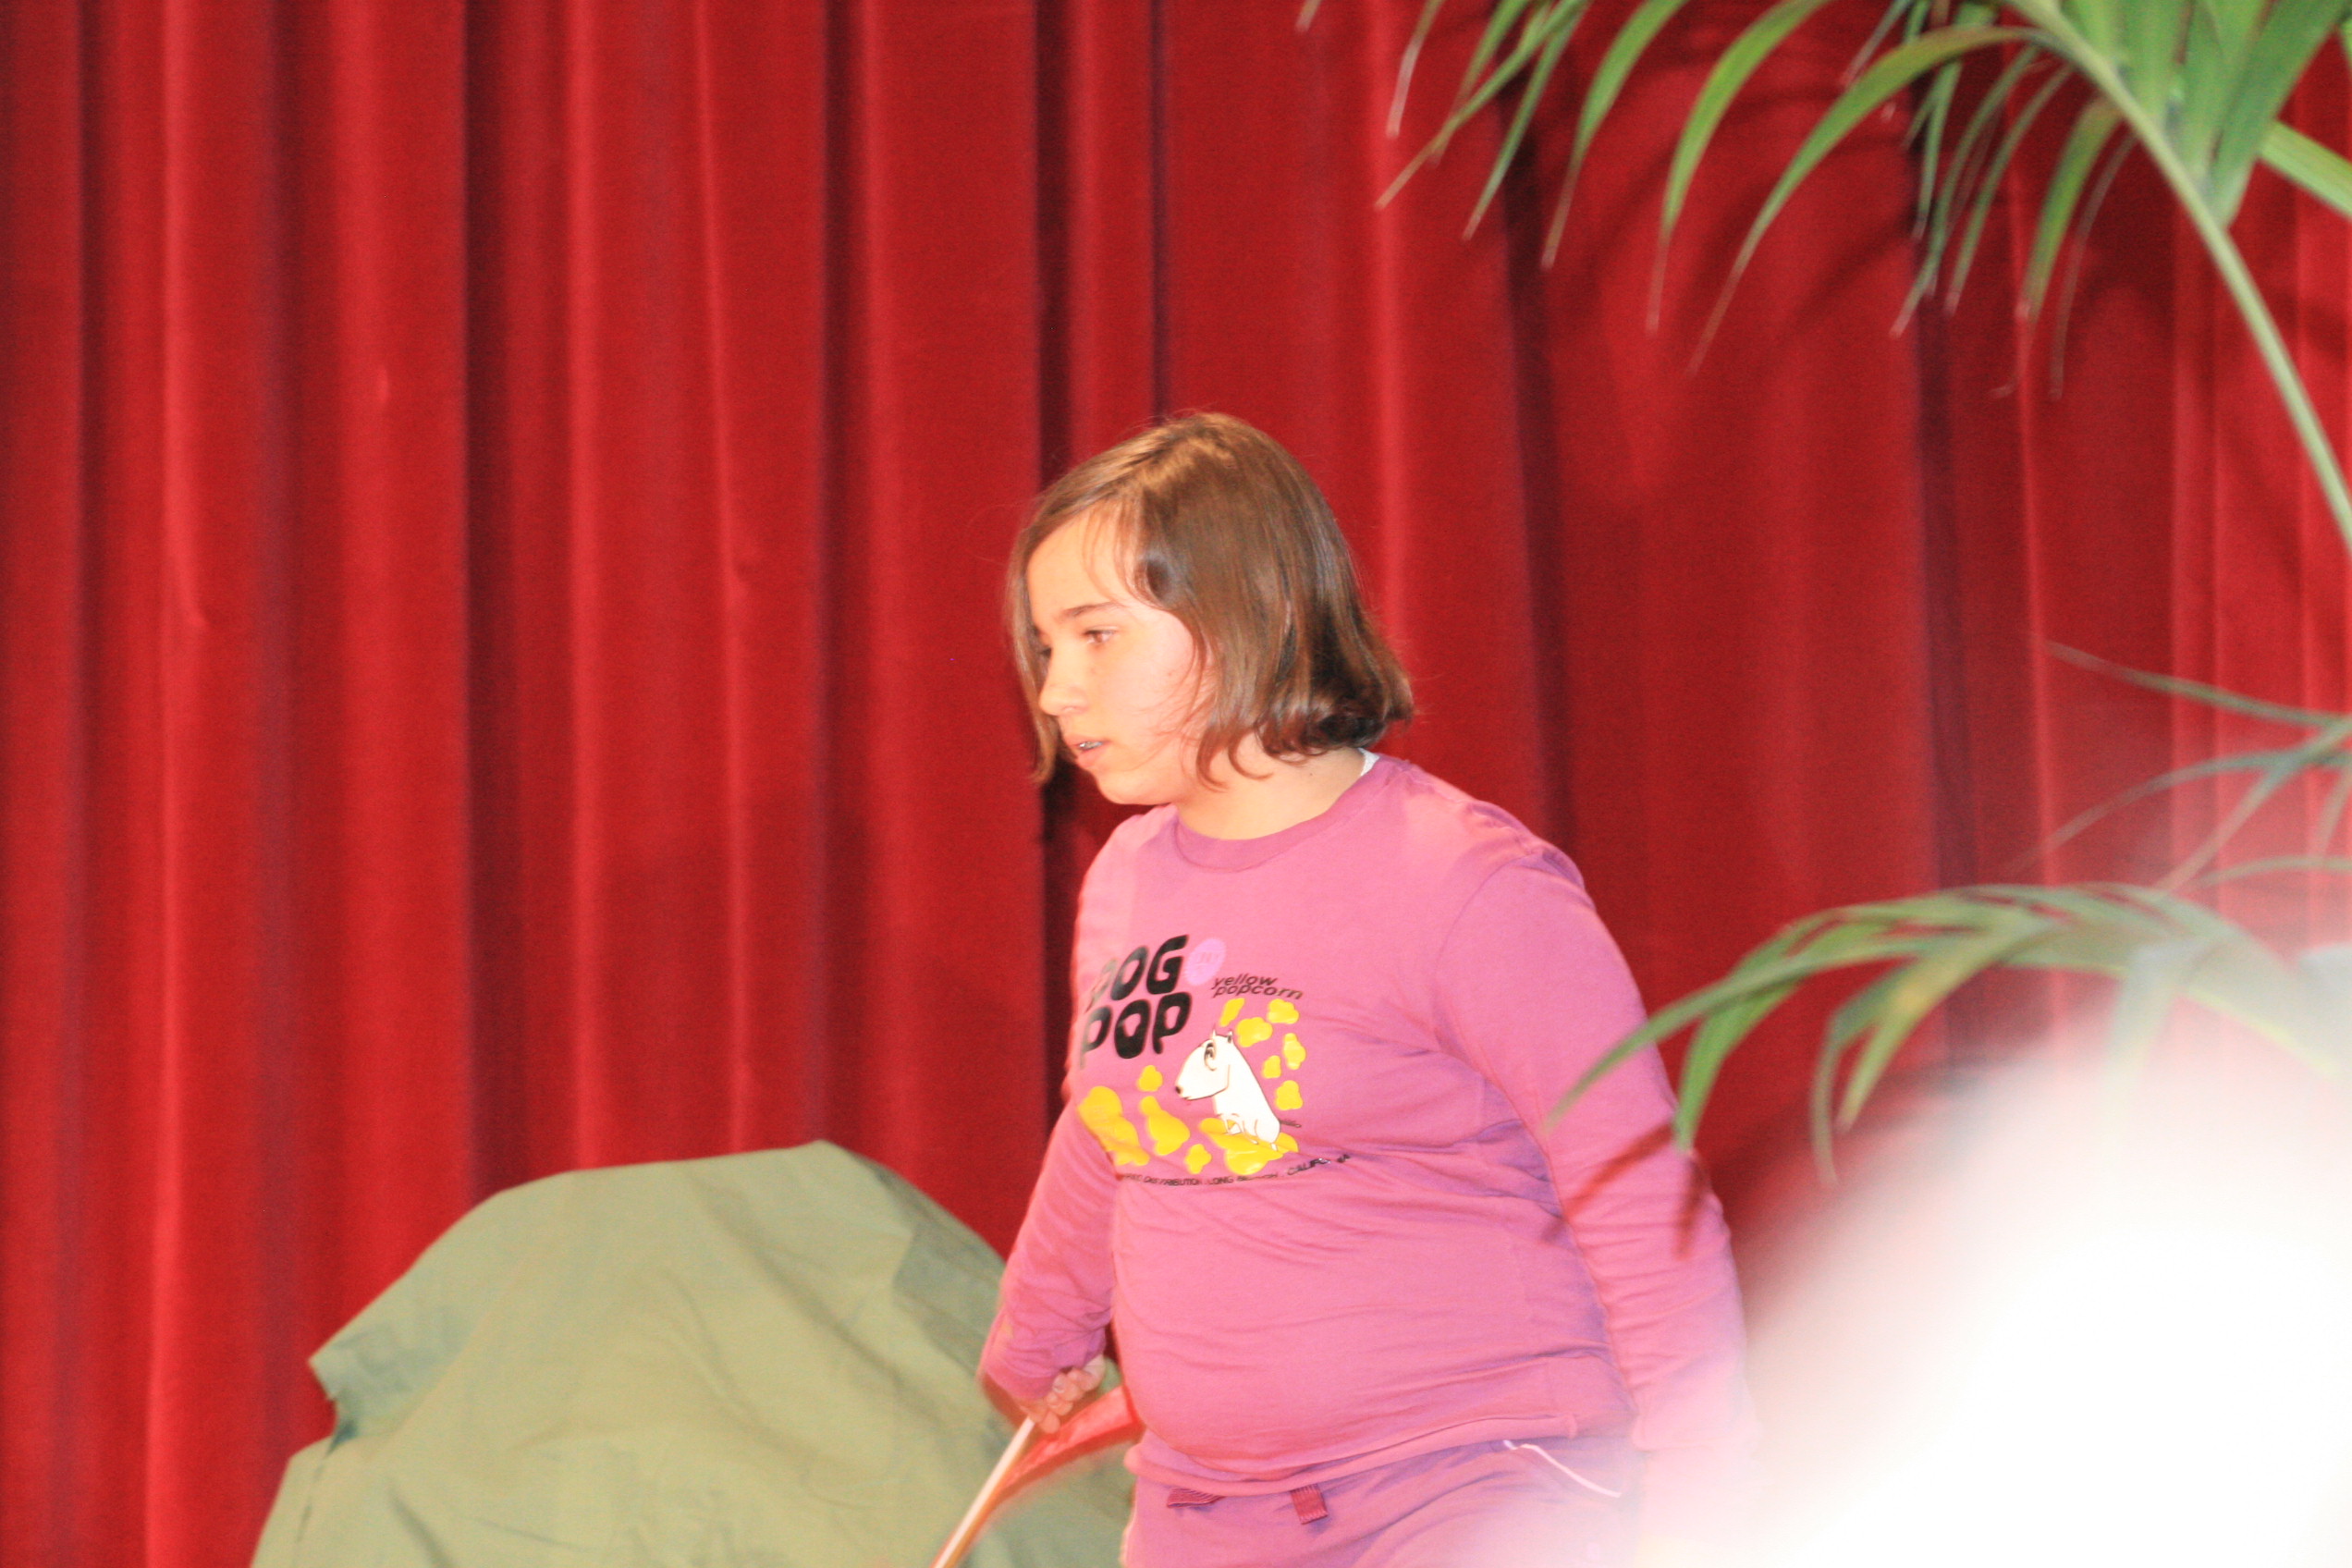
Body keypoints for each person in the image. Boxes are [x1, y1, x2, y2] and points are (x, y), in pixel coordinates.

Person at [981, 413, 1756, 1568]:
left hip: (1477, 1484)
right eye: (1048, 647)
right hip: (1205, 1506)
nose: (1057, 691)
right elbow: (1116, 1118)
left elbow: (1636, 1192)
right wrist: (1040, 1324)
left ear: (1250, 614)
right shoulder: (1128, 876)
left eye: (1097, 636)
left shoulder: (1466, 881)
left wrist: (1707, 1490)